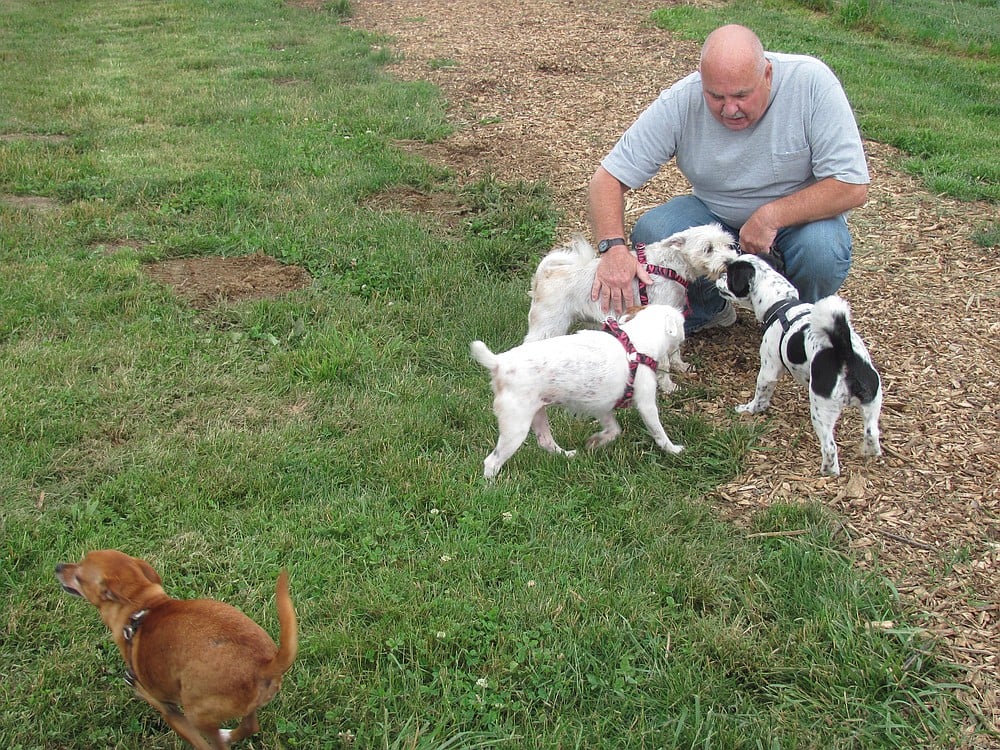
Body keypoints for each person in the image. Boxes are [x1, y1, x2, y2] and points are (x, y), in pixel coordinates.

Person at [589, 24, 869, 333]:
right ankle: (708, 308)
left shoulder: (811, 84)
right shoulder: (682, 100)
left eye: (741, 95)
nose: (730, 109)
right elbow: (607, 179)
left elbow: (851, 185)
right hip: (715, 216)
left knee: (822, 249)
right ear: (702, 81)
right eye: (716, 96)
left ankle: (797, 322)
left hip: (795, 224)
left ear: (768, 75)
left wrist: (770, 216)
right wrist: (613, 249)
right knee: (655, 230)